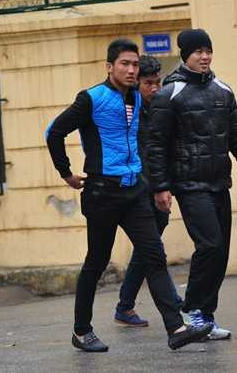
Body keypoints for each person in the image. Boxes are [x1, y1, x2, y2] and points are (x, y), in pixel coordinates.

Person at [45, 39, 212, 352]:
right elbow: (54, 132)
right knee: (97, 262)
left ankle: (176, 328)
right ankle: (82, 331)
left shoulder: (136, 96)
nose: (131, 70)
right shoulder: (91, 98)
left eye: (135, 64)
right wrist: (66, 173)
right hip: (102, 192)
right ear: (110, 67)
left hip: (135, 191)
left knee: (154, 255)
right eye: (125, 64)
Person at [147, 29, 237, 340]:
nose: (205, 57)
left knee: (220, 251)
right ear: (185, 55)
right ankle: (193, 310)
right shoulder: (170, 93)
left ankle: (207, 316)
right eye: (198, 51)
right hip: (189, 185)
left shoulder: (222, 90)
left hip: (218, 182)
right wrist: (161, 186)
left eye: (208, 51)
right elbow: (156, 144)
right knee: (210, 245)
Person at [114, 55, 183, 328]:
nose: (154, 88)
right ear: (136, 84)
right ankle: (172, 303)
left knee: (146, 250)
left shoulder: (158, 108)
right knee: (152, 250)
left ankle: (125, 305)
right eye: (148, 84)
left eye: (157, 83)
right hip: (140, 189)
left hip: (158, 187)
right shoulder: (128, 113)